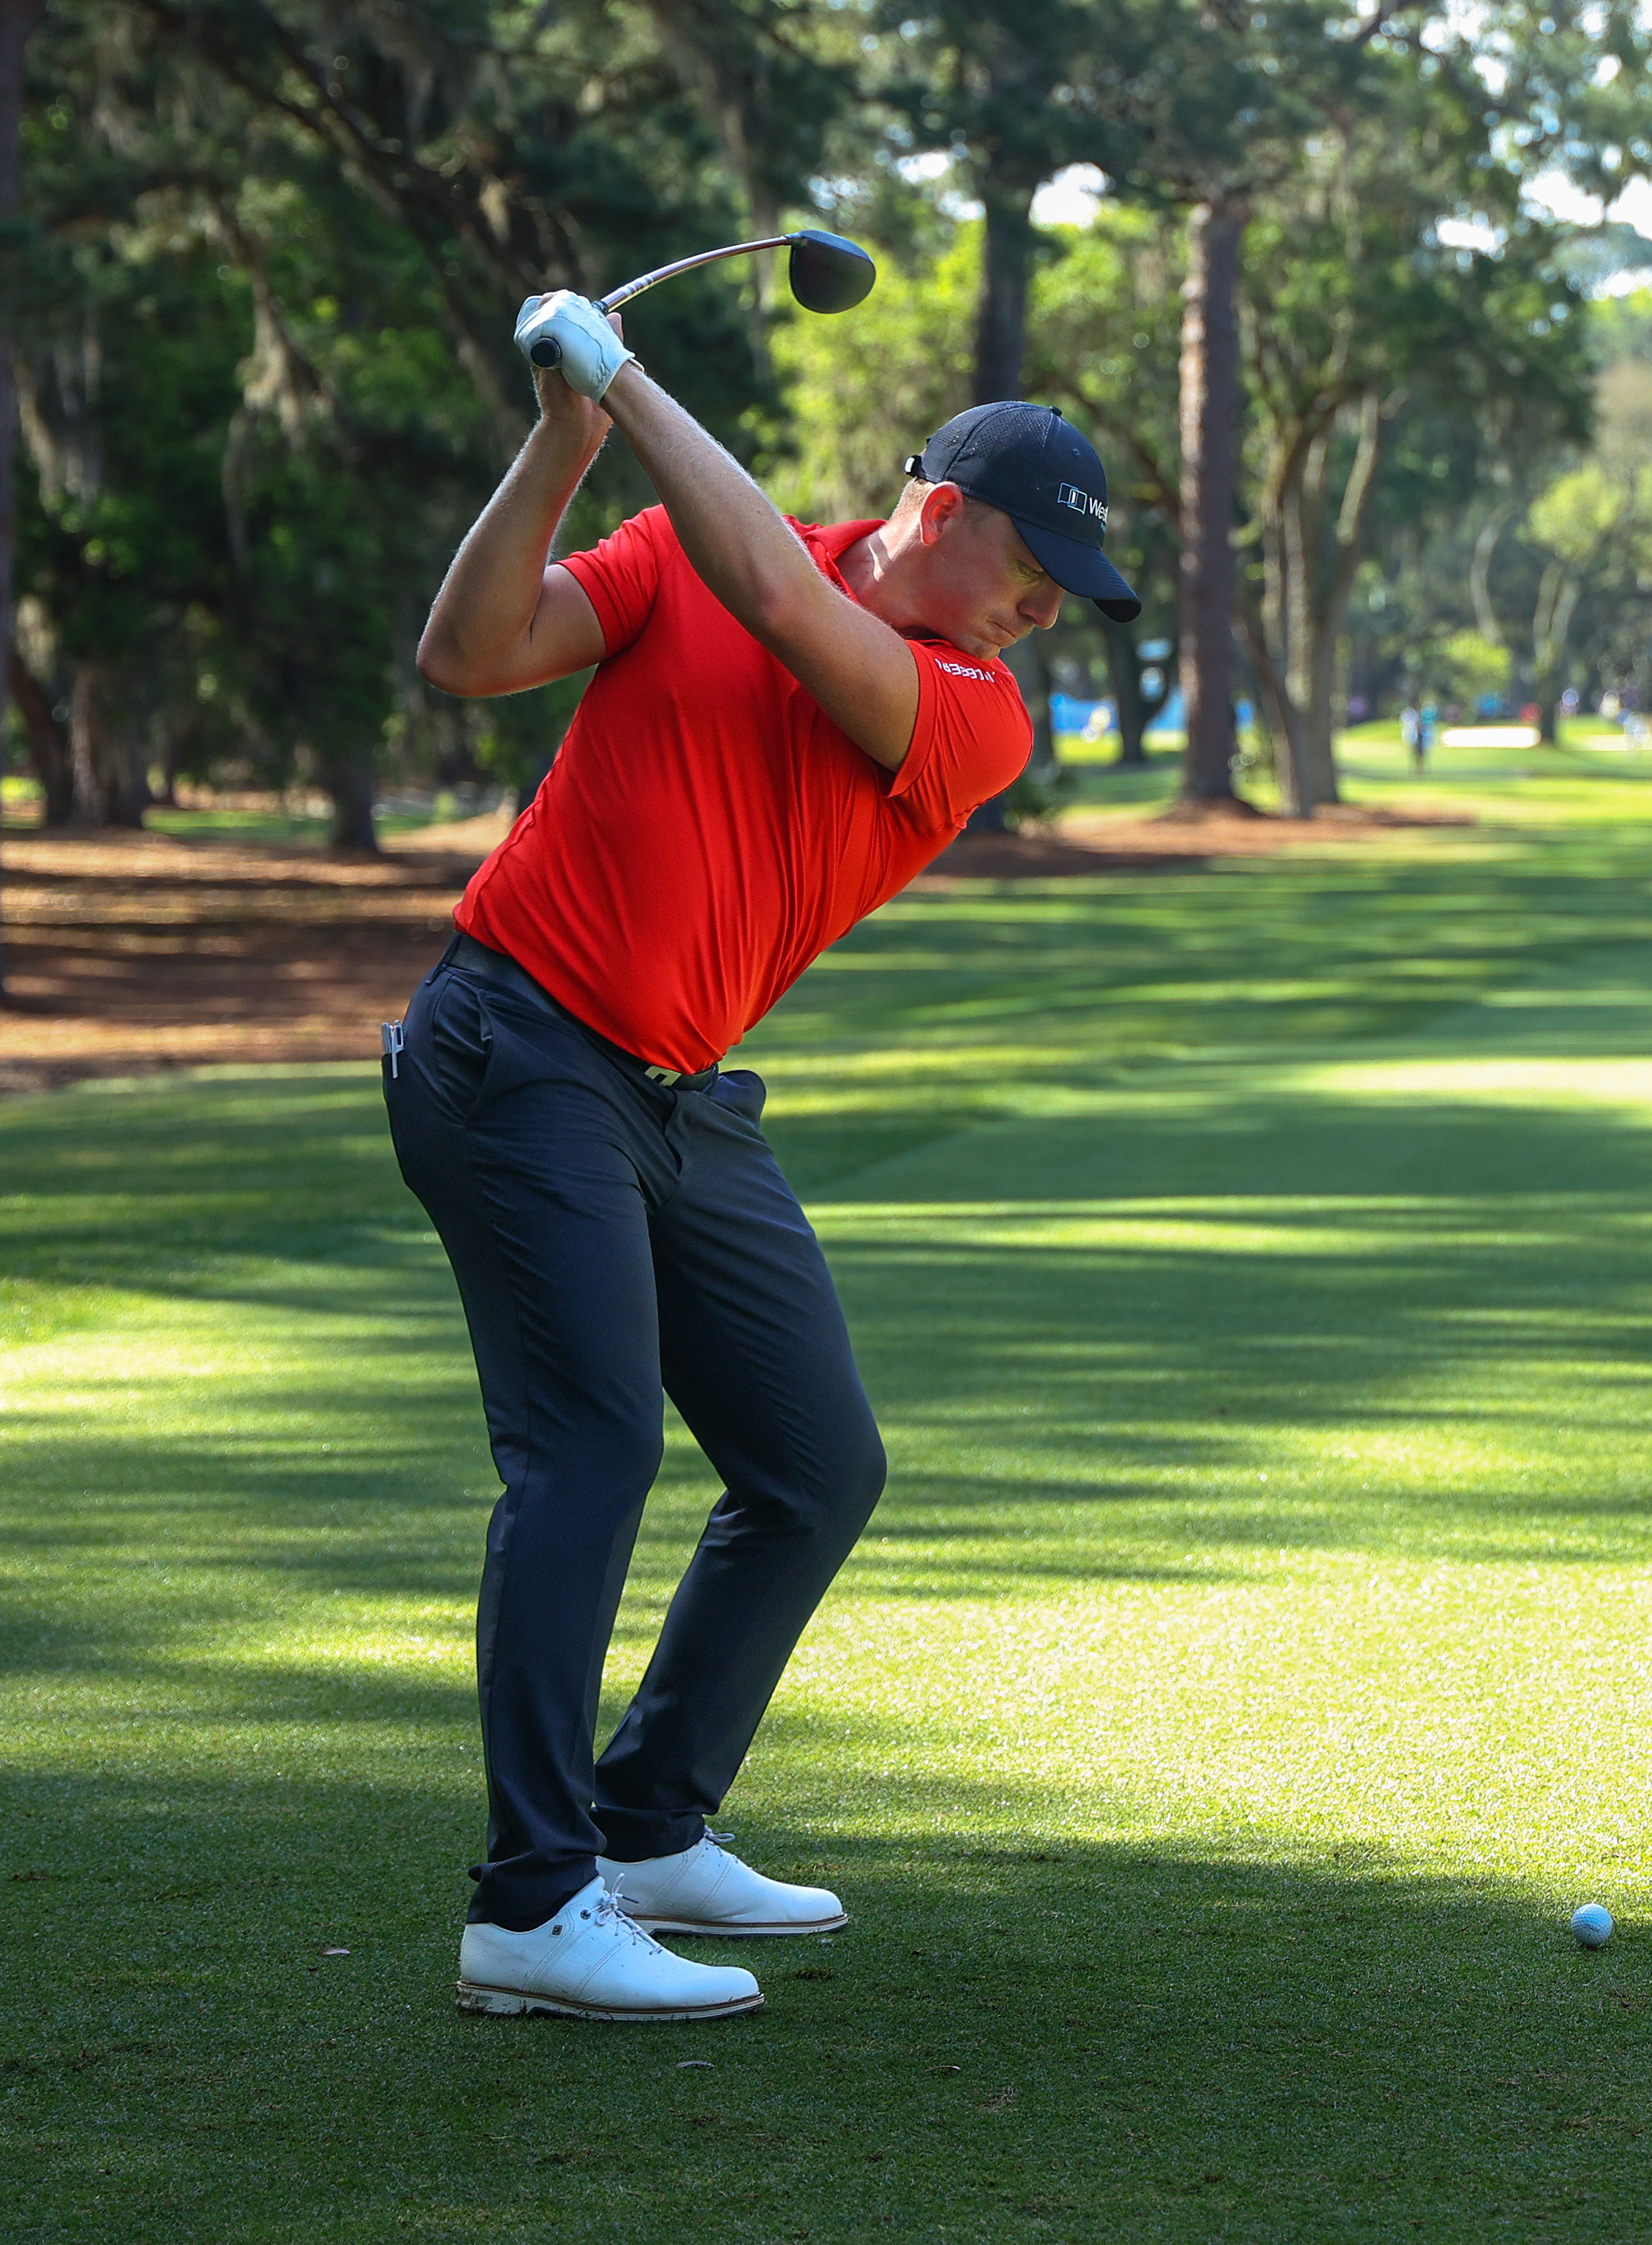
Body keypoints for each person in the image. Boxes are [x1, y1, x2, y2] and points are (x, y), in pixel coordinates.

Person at [393, 287, 1137, 2024]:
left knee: (815, 1465)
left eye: (1063, 606)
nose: (1044, 618)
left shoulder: (969, 707)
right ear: (938, 513)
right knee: (587, 1454)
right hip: (512, 1046)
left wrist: (625, 377)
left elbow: (789, 605)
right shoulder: (677, 549)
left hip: (676, 1091)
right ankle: (527, 1902)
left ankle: (646, 1825)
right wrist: (562, 435)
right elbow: (469, 652)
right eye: (1036, 576)